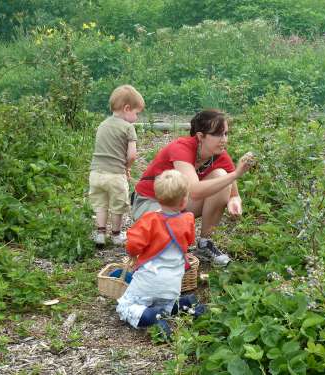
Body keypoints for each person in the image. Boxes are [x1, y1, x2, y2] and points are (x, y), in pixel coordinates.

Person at [131, 109, 254, 266]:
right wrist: (235, 174)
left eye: (226, 134)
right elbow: (194, 191)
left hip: (178, 202)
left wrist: (234, 201)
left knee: (222, 176)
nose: (224, 139)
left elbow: (234, 194)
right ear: (200, 136)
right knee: (160, 237)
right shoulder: (181, 148)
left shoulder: (220, 155)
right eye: (217, 134)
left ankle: (205, 244)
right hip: (150, 201)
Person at [116, 170, 205, 337]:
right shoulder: (188, 219)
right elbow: (189, 241)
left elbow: (133, 245)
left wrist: (134, 254)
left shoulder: (150, 220)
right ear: (185, 200)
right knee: (165, 305)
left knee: (124, 306)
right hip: (173, 282)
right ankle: (184, 304)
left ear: (157, 197)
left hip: (149, 279)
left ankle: (151, 317)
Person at [89, 84, 144, 246]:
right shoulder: (128, 128)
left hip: (95, 174)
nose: (137, 118)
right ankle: (115, 235)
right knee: (117, 205)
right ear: (127, 108)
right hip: (115, 175)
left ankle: (100, 234)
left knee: (100, 203)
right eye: (136, 113)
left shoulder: (102, 125)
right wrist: (127, 167)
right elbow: (132, 155)